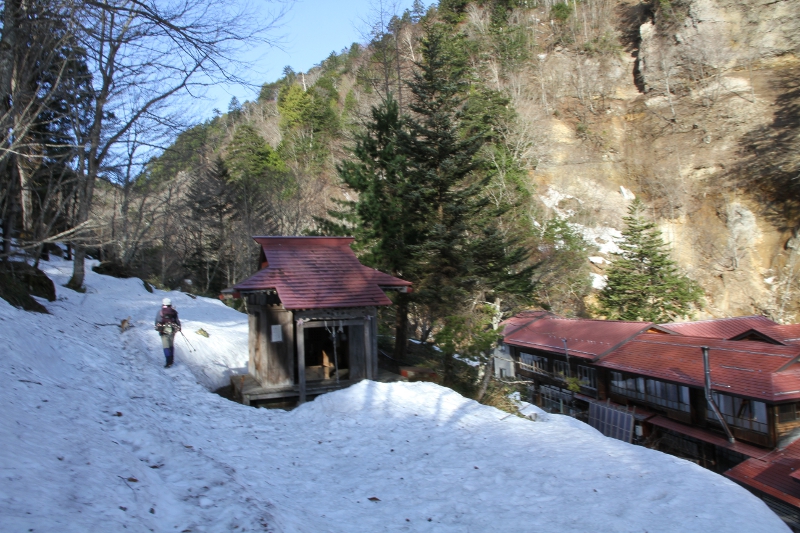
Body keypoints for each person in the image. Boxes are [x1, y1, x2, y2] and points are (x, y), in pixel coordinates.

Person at [155, 297, 181, 368]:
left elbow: (157, 321)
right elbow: (177, 321)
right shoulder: (173, 312)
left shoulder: (160, 312)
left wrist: (159, 328)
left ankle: (168, 362)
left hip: (163, 331)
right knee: (171, 345)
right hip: (172, 331)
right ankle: (172, 360)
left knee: (165, 346)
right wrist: (179, 328)